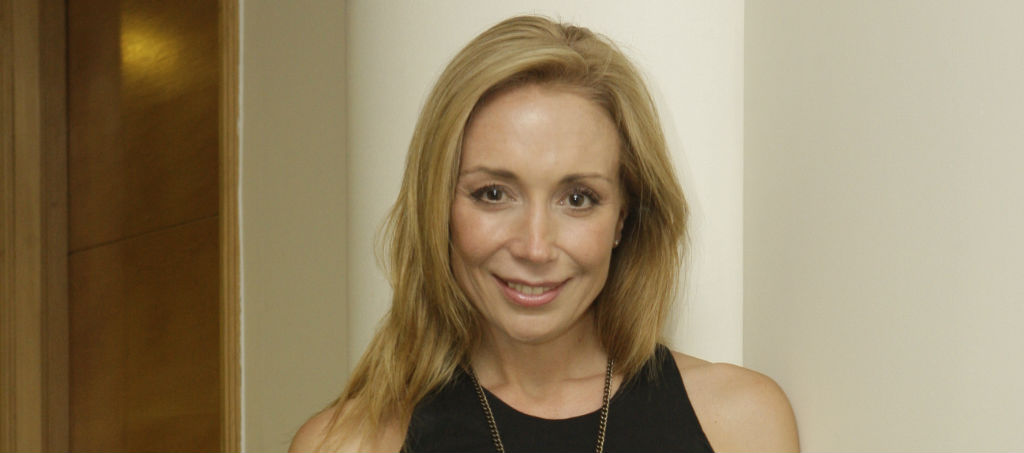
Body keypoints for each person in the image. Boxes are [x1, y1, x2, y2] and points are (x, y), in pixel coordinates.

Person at [291, 15, 799, 452]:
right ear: (437, 207)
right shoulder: (345, 444)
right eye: (494, 193)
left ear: (623, 218)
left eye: (577, 199)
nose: (535, 247)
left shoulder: (740, 425)